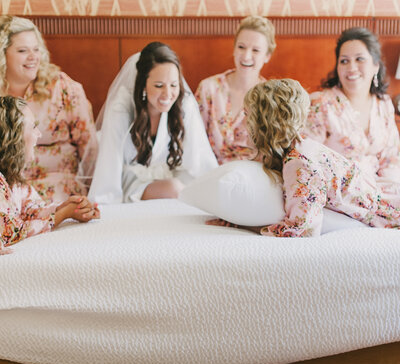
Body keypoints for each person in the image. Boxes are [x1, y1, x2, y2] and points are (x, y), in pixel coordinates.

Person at [208, 79, 400, 237]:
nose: (240, 123)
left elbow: (303, 230)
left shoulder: (300, 163)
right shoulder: (295, 149)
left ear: (264, 125)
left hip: (391, 214)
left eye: (246, 115)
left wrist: (242, 227)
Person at [89, 42, 218, 203]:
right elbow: (109, 168)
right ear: (143, 85)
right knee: (175, 189)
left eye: (173, 85)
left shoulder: (184, 104)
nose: (168, 94)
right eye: (159, 86)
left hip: (171, 174)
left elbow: (200, 158)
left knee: (192, 191)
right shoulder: (121, 108)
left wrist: (216, 197)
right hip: (130, 181)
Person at [0, 15, 98, 204]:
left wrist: (95, 193)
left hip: (57, 184)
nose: (33, 57)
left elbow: (90, 149)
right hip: (7, 188)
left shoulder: (63, 88)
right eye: (22, 50)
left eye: (36, 49)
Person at [303, 27, 400, 207]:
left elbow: (391, 160)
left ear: (375, 66)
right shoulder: (321, 104)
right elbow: (306, 160)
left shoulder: (384, 104)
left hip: (378, 195)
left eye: (359, 59)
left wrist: (386, 195)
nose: (351, 67)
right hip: (335, 197)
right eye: (344, 61)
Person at [0, 96, 99, 255]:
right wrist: (63, 215)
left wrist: (70, 207)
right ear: (13, 138)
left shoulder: (16, 182)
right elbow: (10, 231)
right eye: (33, 127)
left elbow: (31, 210)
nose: (38, 134)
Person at [195, 15, 276, 164]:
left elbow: (271, 153)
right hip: (209, 175)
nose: (246, 56)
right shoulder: (209, 89)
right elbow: (194, 142)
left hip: (252, 178)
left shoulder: (270, 99)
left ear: (267, 56)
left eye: (256, 50)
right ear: (233, 48)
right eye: (241, 47)